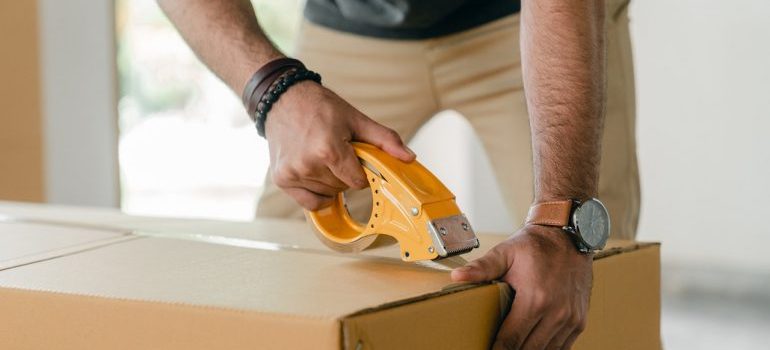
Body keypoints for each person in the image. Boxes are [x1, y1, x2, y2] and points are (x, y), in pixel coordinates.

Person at [160, 0, 638, 348]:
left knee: (588, 271)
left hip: (523, 20)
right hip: (351, 27)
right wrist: (274, 90)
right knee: (288, 251)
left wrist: (561, 217)